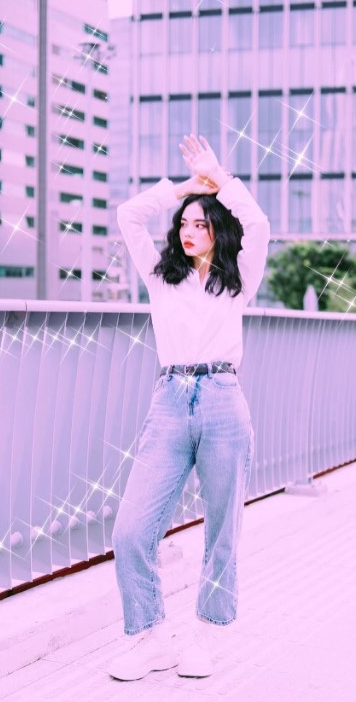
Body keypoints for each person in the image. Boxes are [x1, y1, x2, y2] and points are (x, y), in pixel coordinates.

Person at [106, 135, 270, 681]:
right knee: (131, 529)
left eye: (201, 224)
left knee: (222, 530)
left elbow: (261, 226)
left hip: (224, 399)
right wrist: (183, 188)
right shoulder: (161, 278)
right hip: (171, 400)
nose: (188, 231)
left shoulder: (237, 281)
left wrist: (220, 179)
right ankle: (149, 634)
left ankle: (202, 637)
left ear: (218, 231)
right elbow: (129, 216)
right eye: (184, 224)